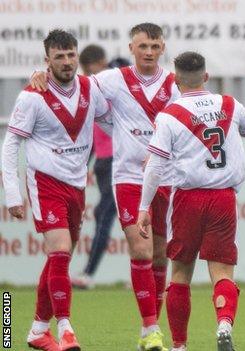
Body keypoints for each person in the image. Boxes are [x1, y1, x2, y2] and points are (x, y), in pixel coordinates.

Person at [31, 23, 179, 350]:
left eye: (155, 46)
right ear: (131, 48)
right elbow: (70, 84)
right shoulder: (112, 80)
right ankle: (151, 328)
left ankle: (148, 334)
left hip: (166, 179)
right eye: (143, 47)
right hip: (127, 177)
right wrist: (39, 74)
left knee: (159, 256)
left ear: (163, 47)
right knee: (139, 249)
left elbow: (186, 123)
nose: (149, 52)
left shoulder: (173, 84)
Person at [137, 51, 245, 351]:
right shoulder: (229, 104)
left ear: (175, 80)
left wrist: (143, 207)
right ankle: (224, 323)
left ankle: (179, 346)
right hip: (223, 198)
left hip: (188, 199)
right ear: (206, 76)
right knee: (222, 272)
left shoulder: (169, 115)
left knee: (180, 273)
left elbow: (154, 165)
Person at [2, 29, 110, 351]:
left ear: (77, 56)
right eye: (59, 56)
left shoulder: (92, 88)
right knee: (61, 249)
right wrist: (11, 193)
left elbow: (114, 120)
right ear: (46, 60)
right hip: (44, 181)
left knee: (57, 259)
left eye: (71, 55)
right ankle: (65, 329)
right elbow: (11, 145)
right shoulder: (32, 96)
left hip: (76, 184)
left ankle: (37, 330)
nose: (66, 62)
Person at [71, 45, 124, 290]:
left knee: (108, 215)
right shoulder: (92, 91)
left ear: (102, 63)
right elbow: (92, 135)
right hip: (105, 162)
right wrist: (82, 165)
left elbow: (124, 67)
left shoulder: (116, 79)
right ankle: (90, 273)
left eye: (94, 70)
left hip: (122, 159)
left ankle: (89, 273)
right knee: (104, 214)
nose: (93, 77)